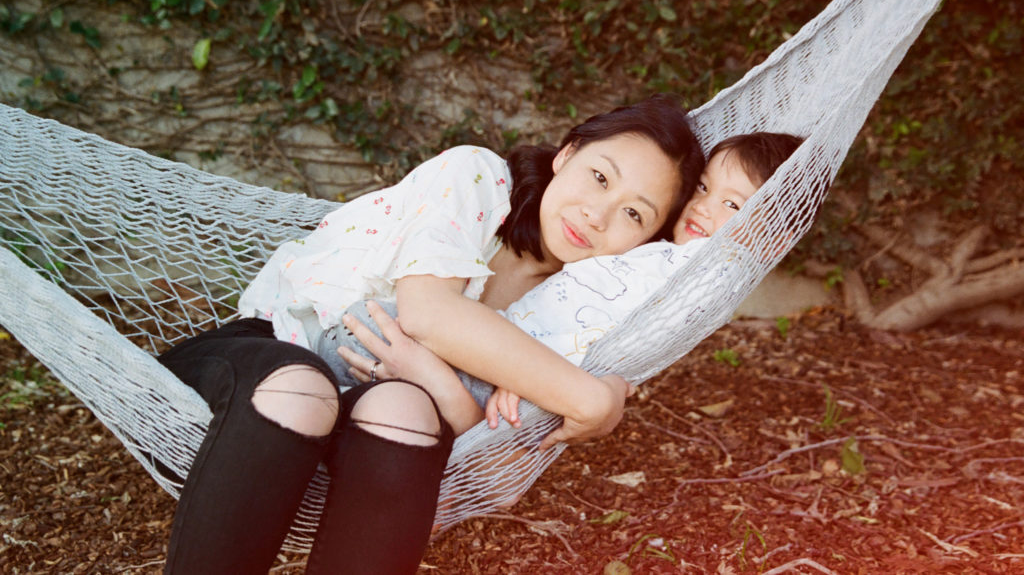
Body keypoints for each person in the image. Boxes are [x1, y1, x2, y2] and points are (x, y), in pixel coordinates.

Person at [157, 94, 704, 575]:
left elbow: (493, 469)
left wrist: (434, 381)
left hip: (363, 425)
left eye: (634, 213)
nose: (598, 214)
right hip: (264, 360)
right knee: (305, 391)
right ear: (566, 154)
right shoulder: (478, 178)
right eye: (600, 177)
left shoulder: (571, 315)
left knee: (406, 409)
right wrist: (590, 398)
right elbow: (426, 312)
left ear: (646, 243)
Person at [336, 132, 804, 431]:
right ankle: (443, 406)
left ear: (772, 239)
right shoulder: (643, 255)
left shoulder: (704, 272)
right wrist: (600, 396)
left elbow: (600, 330)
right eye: (702, 189)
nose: (703, 208)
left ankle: (447, 409)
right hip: (496, 355)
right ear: (568, 155)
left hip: (510, 370)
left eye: (735, 206)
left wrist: (594, 386)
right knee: (377, 335)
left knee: (370, 329)